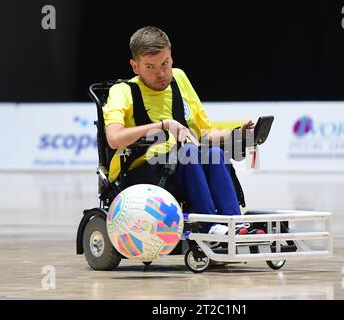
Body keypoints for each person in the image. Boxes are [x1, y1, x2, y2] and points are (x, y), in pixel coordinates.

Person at [103, 26, 262, 235]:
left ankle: (234, 222)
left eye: (165, 63)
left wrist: (236, 133)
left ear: (171, 58)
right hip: (140, 169)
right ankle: (210, 227)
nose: (160, 73)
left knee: (214, 153)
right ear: (135, 66)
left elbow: (205, 134)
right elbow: (114, 139)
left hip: (182, 163)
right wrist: (163, 125)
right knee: (190, 152)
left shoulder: (179, 79)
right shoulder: (122, 91)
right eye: (150, 67)